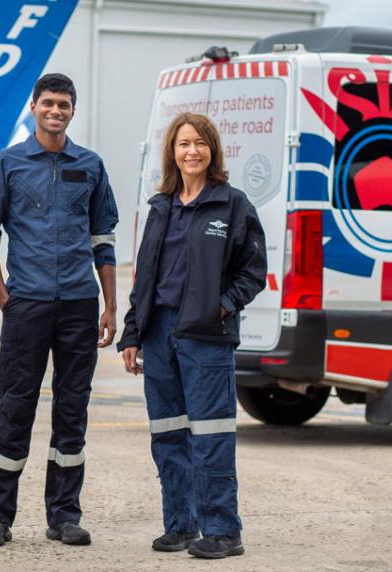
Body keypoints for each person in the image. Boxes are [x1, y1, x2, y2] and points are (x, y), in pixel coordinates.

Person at [0, 73, 119, 547]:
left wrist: (111, 305)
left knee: (72, 410)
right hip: (27, 306)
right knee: (16, 407)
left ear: (73, 111)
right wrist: (3, 298)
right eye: (49, 103)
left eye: (65, 105)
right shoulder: (9, 164)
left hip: (79, 304)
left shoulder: (91, 166)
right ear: (34, 107)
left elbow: (104, 241)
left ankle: (64, 516)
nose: (56, 111)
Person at [117, 112, 267, 559]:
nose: (192, 151)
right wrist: (132, 333)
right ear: (173, 153)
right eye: (183, 144)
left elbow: (253, 271)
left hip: (206, 336)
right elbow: (145, 277)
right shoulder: (160, 206)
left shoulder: (232, 204)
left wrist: (220, 305)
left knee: (210, 434)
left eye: (200, 143)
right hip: (160, 331)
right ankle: (181, 524)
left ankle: (222, 531)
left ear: (212, 150)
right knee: (167, 434)